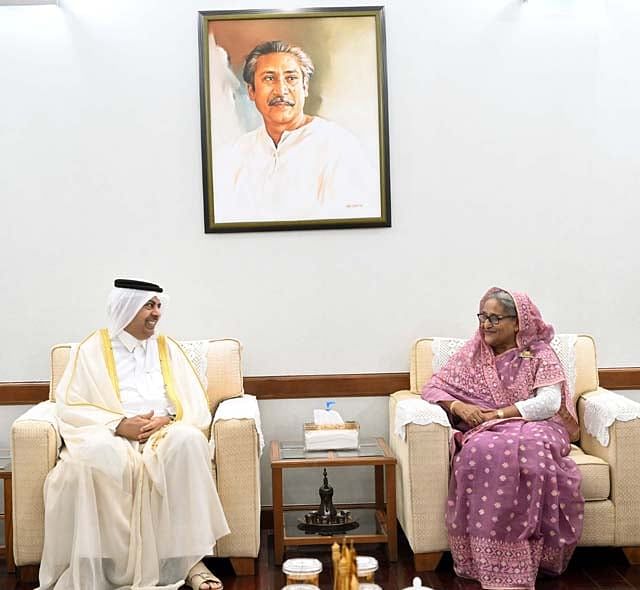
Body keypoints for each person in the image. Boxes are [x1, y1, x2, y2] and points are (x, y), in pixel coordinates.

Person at [37, 279, 229, 590]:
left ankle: (190, 561)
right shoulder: (91, 350)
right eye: (148, 306)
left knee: (189, 441)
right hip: (109, 433)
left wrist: (168, 419)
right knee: (99, 455)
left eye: (158, 305)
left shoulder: (168, 348)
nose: (156, 313)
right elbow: (70, 405)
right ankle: (113, 568)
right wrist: (117, 424)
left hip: (161, 433)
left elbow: (193, 402)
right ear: (126, 307)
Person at [421, 287, 584, 590]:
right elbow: (433, 388)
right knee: (475, 451)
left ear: (518, 322)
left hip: (536, 425)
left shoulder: (539, 353)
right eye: (483, 316)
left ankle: (532, 559)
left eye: (495, 318)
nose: (486, 324)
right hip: (484, 429)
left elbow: (548, 404)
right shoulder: (472, 354)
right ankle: (484, 561)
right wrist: (458, 406)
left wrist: (498, 415)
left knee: (533, 456)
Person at [213, 40, 381, 223]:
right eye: (269, 78)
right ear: (251, 91)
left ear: (305, 88)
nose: (281, 90)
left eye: (291, 78)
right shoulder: (235, 154)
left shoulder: (338, 146)